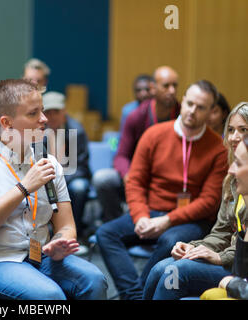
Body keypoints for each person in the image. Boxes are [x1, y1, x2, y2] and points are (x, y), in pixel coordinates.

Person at [0, 79, 107, 300]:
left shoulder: (49, 163)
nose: (44, 119)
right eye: (34, 114)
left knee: (94, 280)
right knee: (50, 297)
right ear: (7, 123)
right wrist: (23, 188)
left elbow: (66, 225)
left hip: (41, 256)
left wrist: (60, 242)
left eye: (42, 111)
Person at [95, 80, 228, 300]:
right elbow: (135, 181)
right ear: (182, 101)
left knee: (170, 241)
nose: (193, 111)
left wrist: (167, 221)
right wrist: (140, 217)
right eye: (190, 103)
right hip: (151, 212)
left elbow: (209, 201)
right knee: (105, 234)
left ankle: (138, 295)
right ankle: (134, 295)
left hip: (191, 220)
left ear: (212, 111)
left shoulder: (217, 148)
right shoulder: (154, 134)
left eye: (201, 107)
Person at [143, 102, 248, 300]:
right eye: (231, 130)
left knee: (172, 273)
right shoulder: (233, 178)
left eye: (243, 130)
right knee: (160, 268)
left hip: (240, 268)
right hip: (228, 259)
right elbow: (222, 231)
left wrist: (218, 257)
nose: (234, 137)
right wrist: (196, 247)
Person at [92, 66, 180, 223]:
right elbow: (121, 156)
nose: (172, 91)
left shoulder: (182, 115)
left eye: (175, 85)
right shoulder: (136, 117)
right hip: (137, 172)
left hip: (168, 176)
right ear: (153, 88)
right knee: (102, 179)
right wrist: (129, 175)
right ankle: (117, 221)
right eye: (166, 86)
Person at [42, 91, 91, 239]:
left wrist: (60, 181)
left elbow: (81, 166)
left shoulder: (77, 131)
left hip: (72, 177)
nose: (52, 116)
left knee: (79, 188)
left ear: (64, 111)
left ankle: (76, 231)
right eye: (47, 112)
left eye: (56, 111)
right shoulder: (39, 131)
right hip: (46, 177)